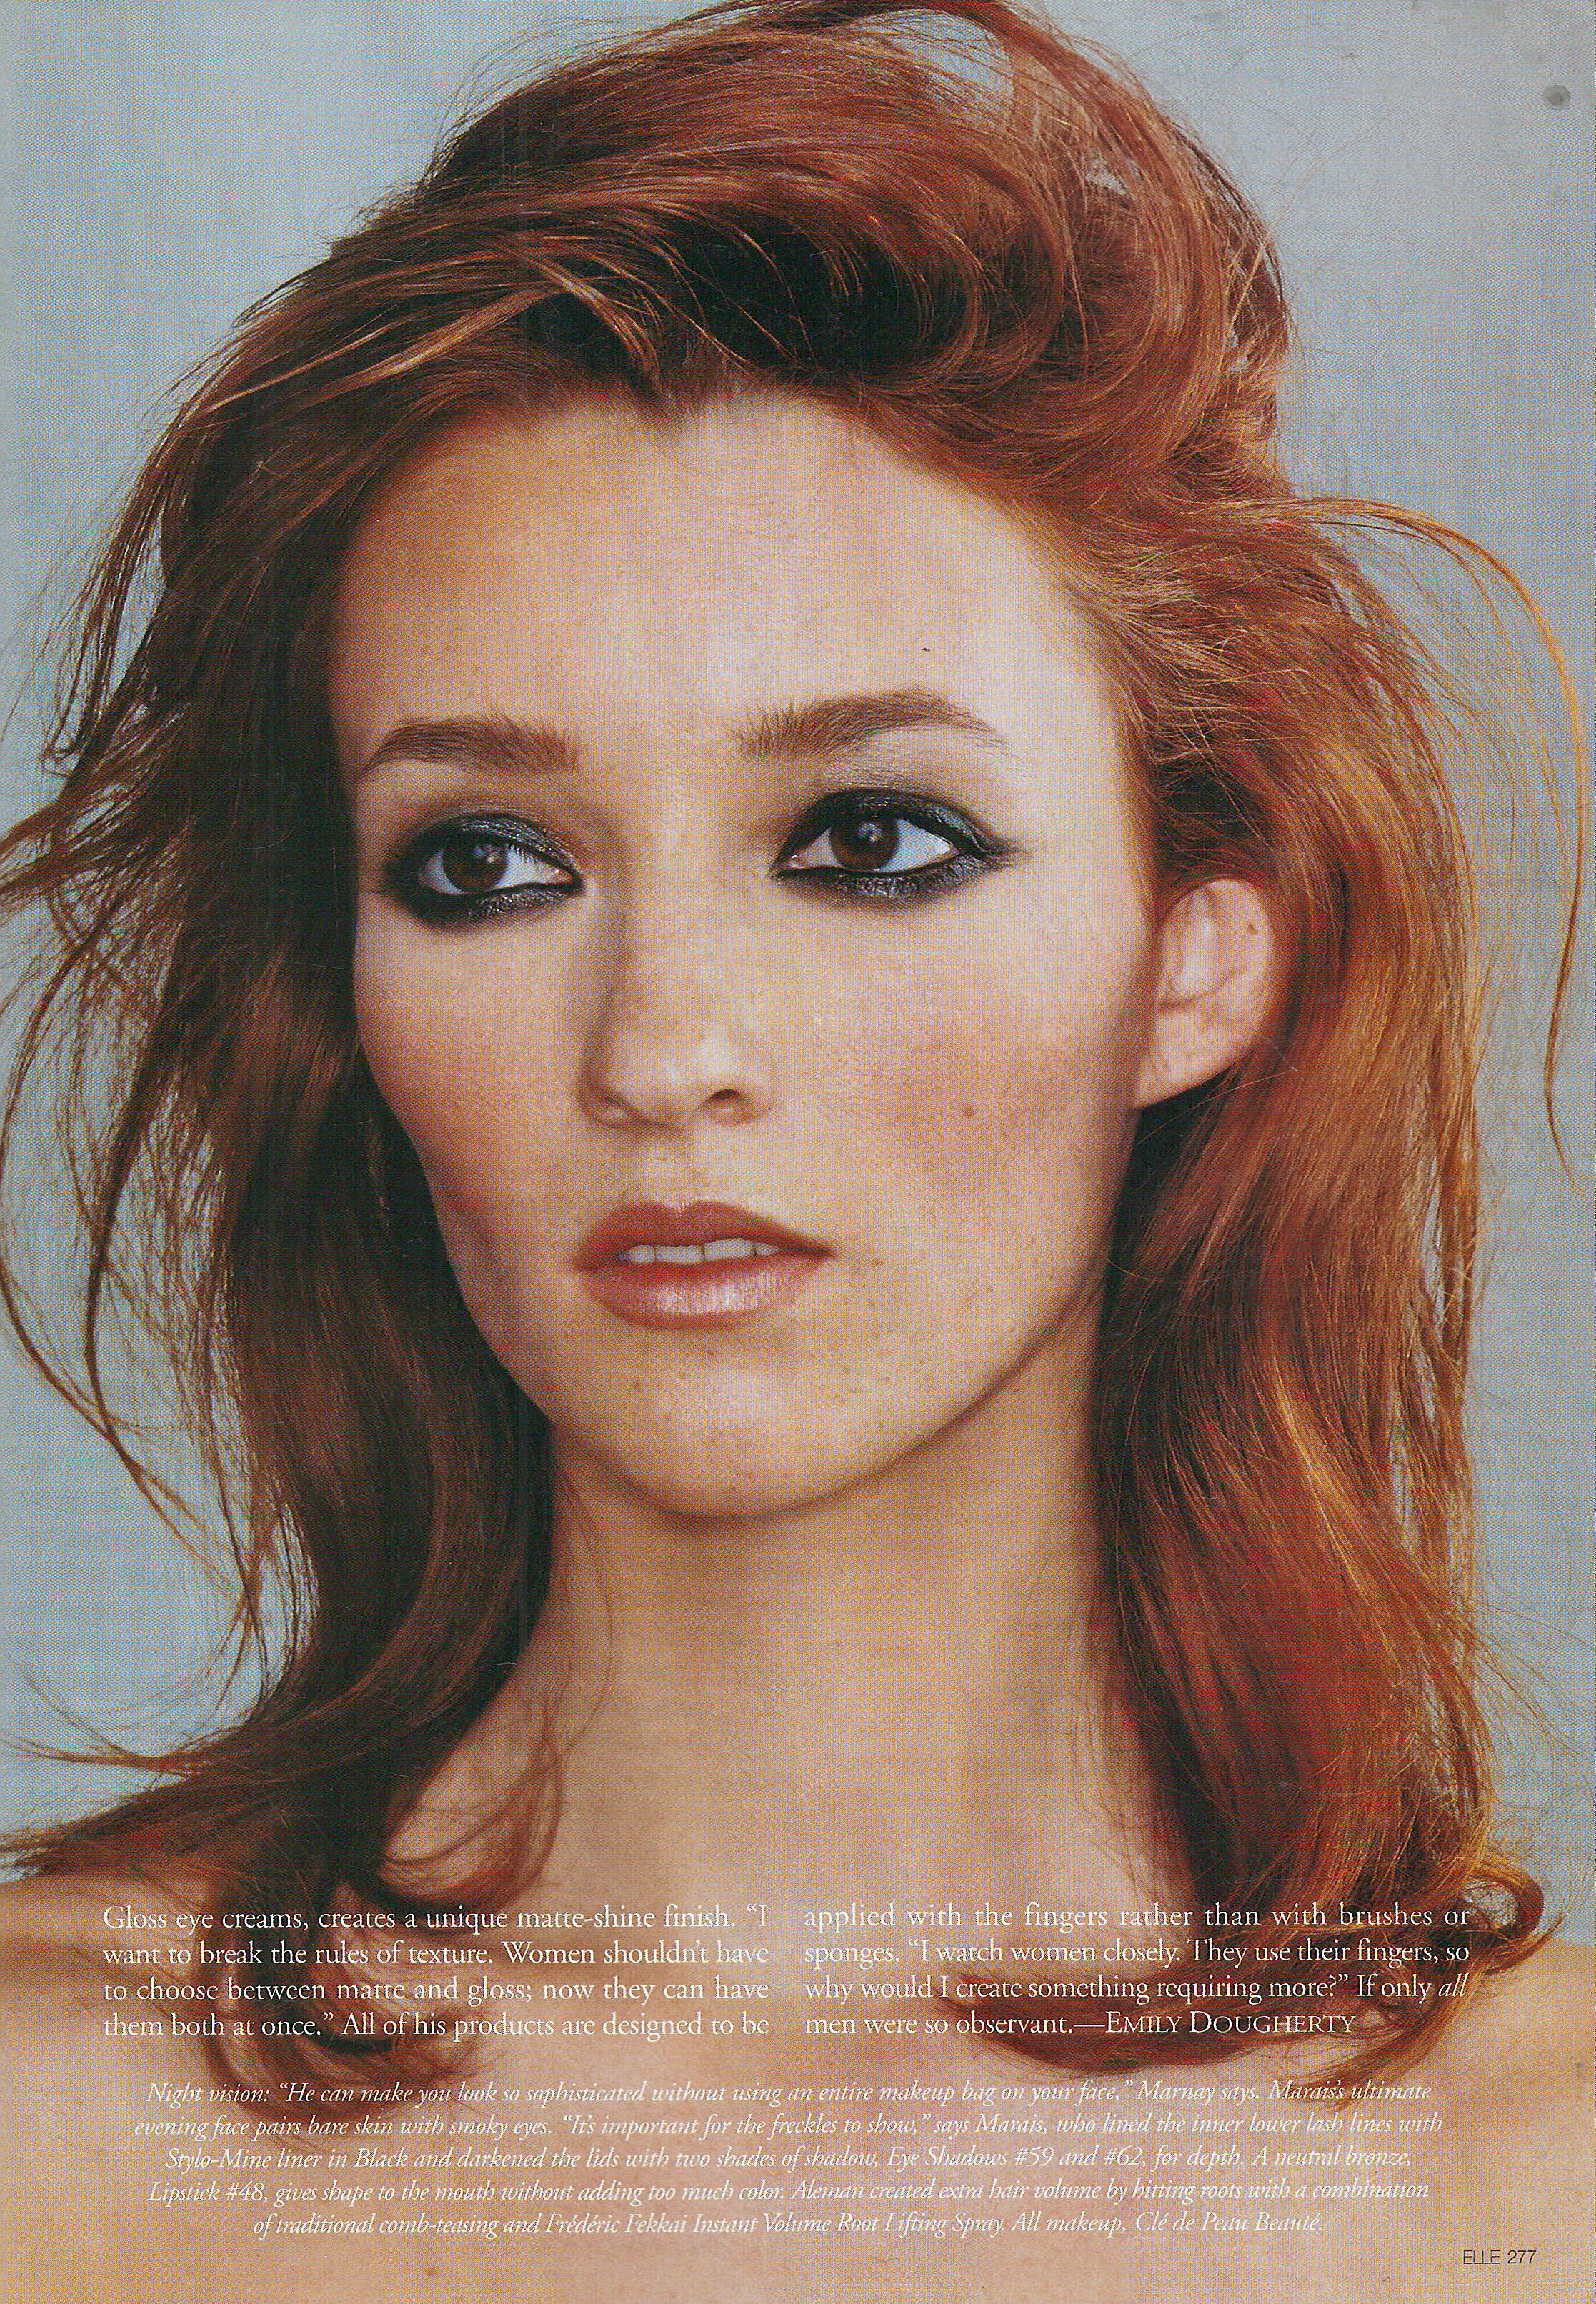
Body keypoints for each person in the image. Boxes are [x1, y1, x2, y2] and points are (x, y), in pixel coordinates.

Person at [0, 2, 1586, 2296]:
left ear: (1193, 958)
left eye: (868, 838)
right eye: (484, 864)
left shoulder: (1544, 2177)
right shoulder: (46, 2126)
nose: (662, 1050)